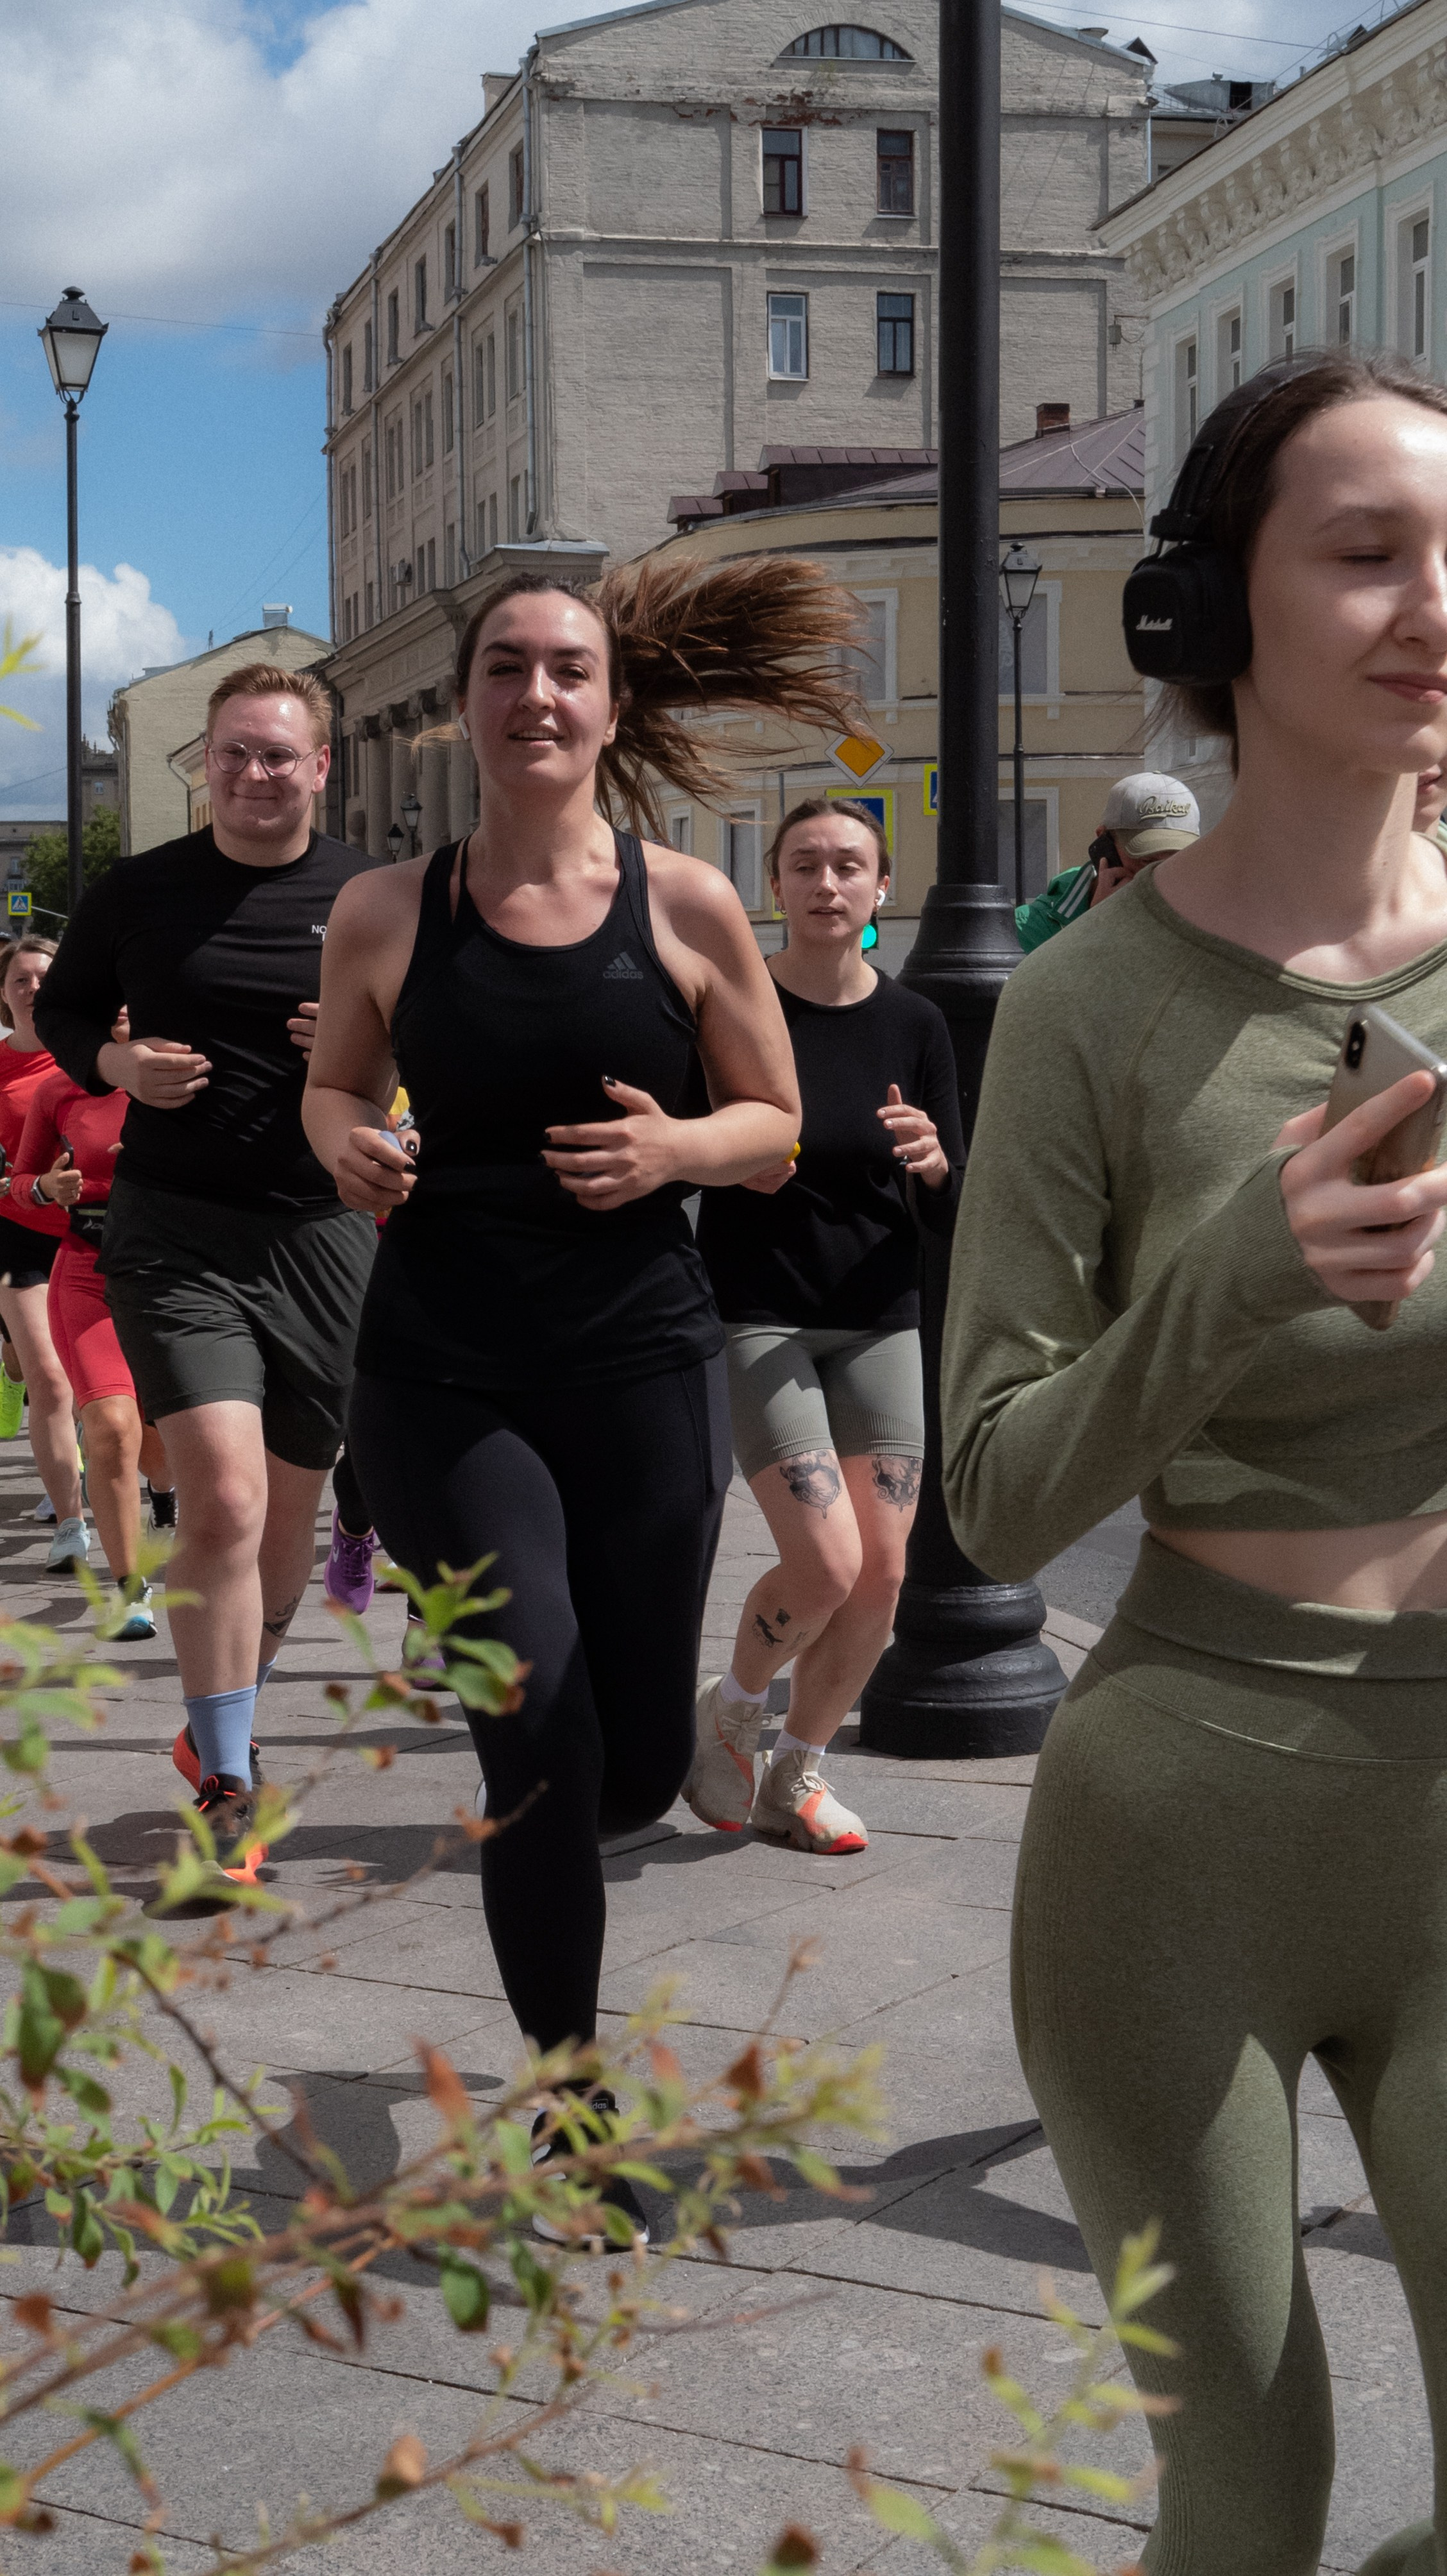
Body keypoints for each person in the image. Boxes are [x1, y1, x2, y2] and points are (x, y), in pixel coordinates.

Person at [942, 351, 1447, 2576]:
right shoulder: (1088, 1005)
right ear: (1208, 609)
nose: (1433, 603)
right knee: (1248, 2504)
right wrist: (1235, 1272)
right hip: (1177, 1834)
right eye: (1366, 553)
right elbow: (992, 1493)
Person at [303, 558, 863, 2232]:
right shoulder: (388, 910)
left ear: (611, 708)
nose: (535, 694)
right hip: (442, 1373)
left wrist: (673, 1148)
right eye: (506, 667)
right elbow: (333, 1087)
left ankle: (650, 1761)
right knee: (535, 1719)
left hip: (637, 1368)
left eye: (567, 669)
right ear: (467, 704)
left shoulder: (684, 906)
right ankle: (568, 2103)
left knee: (620, 1771)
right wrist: (351, 1146)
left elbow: (775, 1127)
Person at [35, 663, 380, 1861]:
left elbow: (444, 1036)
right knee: (224, 1498)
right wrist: (120, 1069)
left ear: (320, 765)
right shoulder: (139, 891)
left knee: (288, 1516)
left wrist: (373, 1051)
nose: (252, 773)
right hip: (176, 1231)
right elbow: (65, 1013)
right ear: (207, 765)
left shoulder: (373, 896)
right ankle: (229, 1782)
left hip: (325, 1232)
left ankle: (221, 1716)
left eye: (277, 753)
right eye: (233, 752)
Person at [688, 798, 964, 1852]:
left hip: (881, 1316)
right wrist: (727, 1158)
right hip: (761, 1313)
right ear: (775, 884)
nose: (827, 883)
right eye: (805, 864)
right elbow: (678, 1147)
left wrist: (934, 1164)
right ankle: (733, 1708)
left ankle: (796, 1776)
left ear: (882, 887)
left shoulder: (916, 1024)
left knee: (882, 1572)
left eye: (849, 865)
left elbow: (951, 1205)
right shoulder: (735, 1008)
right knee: (824, 1561)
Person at [8, 1065, 171, 1637]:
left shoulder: (191, 1075)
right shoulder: (61, 1089)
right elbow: (20, 1182)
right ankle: (130, 1589)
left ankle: (165, 1494)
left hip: (177, 1279)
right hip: (85, 1272)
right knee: (111, 1429)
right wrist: (46, 1189)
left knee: (161, 1450)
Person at [0, 936, 89, 1568]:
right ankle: (71, 1523)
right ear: (4, 995)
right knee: (48, 1379)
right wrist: (25, 1186)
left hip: (93, 1235)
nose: (34, 988)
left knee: (86, 1381)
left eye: (44, 978)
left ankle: (73, 1456)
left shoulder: (93, 1059)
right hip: (17, 1235)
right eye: (21, 979)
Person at [1013, 770, 1199, 953]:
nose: (1161, 876)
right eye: (1147, 860)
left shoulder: (1197, 916)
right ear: (1104, 842)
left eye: (1178, 860)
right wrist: (1096, 927)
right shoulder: (1028, 928)